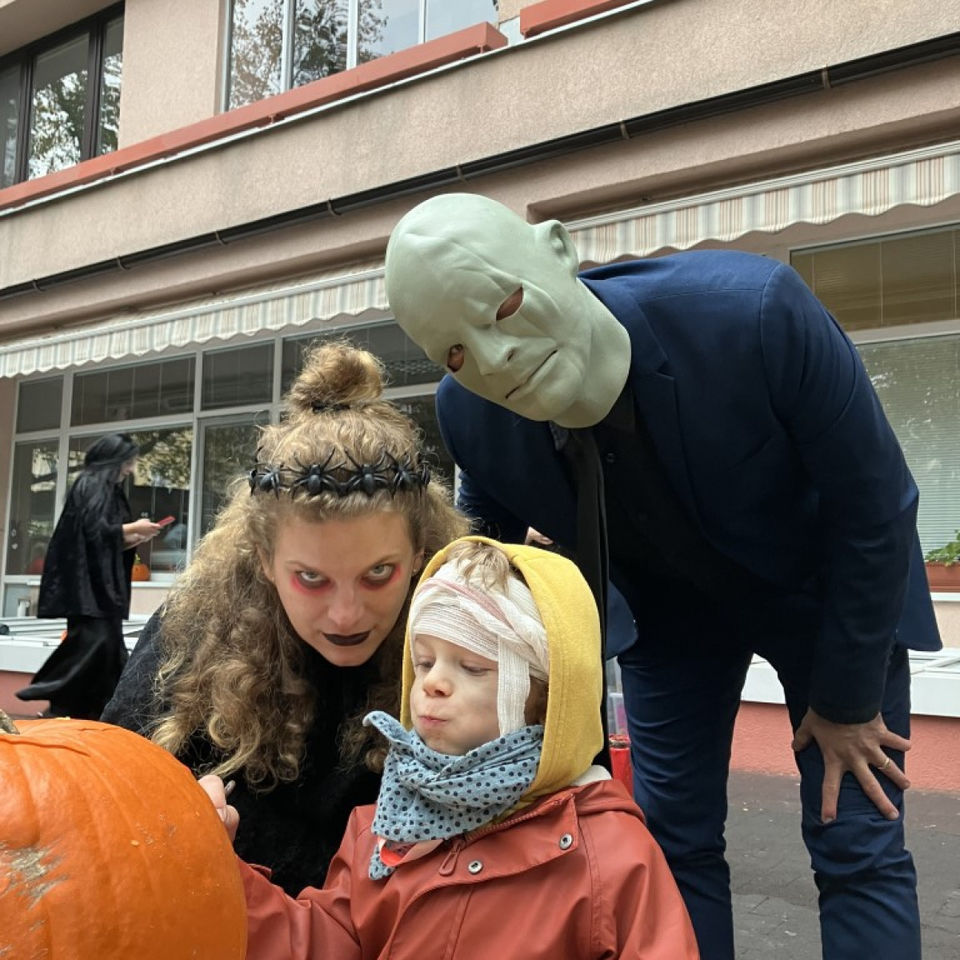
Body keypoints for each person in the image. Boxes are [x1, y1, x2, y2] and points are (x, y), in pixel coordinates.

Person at [383, 193, 943, 960]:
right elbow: (479, 570)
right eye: (455, 353)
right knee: (670, 844)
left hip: (832, 598)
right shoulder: (471, 415)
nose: (495, 357)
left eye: (503, 305)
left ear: (555, 249)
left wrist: (846, 703)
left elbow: (877, 504)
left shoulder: (754, 315)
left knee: (857, 843)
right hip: (667, 620)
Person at [201, 536, 700, 960]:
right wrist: (214, 873)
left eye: (472, 667)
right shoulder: (384, 826)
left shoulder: (611, 856)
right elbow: (331, 943)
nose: (433, 683)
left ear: (548, 696)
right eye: (423, 661)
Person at [101, 342, 467, 896]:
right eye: (311, 579)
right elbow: (110, 797)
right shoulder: (194, 633)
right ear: (265, 561)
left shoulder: (475, 640)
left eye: (379, 574)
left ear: (420, 554)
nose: (346, 615)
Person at [16, 433, 163, 719]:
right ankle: (57, 698)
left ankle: (96, 710)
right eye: (128, 462)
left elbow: (104, 538)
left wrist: (133, 537)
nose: (130, 469)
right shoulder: (93, 484)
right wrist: (133, 528)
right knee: (96, 646)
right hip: (89, 588)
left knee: (106, 651)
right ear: (115, 460)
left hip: (100, 589)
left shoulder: (107, 487)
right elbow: (96, 532)